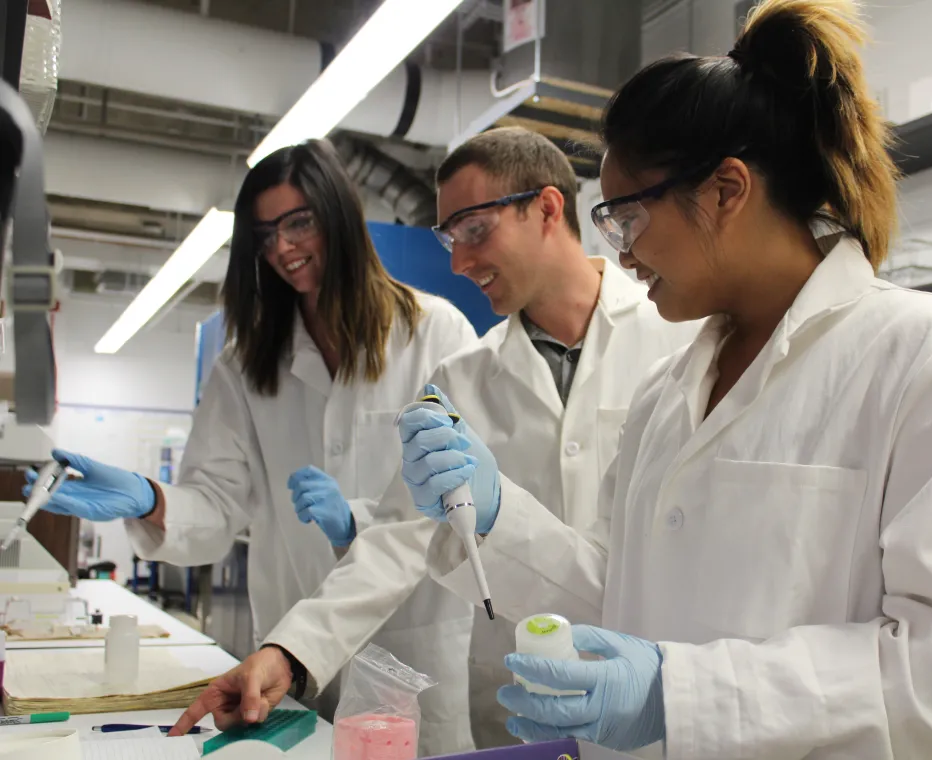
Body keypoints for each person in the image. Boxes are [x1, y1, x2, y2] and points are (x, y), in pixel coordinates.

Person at [398, 2, 932, 758]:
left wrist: (681, 694)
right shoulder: (666, 393)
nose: (619, 254)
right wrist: (494, 517)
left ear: (725, 190)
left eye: (625, 218)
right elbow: (622, 592)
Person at [171, 127, 700, 748]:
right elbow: (400, 536)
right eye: (449, 240)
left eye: (474, 230)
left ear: (549, 209)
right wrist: (289, 652)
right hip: (515, 697)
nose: (459, 262)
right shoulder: (462, 378)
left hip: (657, 692)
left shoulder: (681, 342)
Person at [30, 139, 478, 755]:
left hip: (409, 651)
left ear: (339, 217)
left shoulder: (435, 333)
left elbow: (449, 509)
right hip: (287, 653)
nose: (283, 248)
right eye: (265, 235)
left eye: (300, 223)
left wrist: (360, 521)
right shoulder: (245, 365)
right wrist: (149, 499)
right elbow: (216, 509)